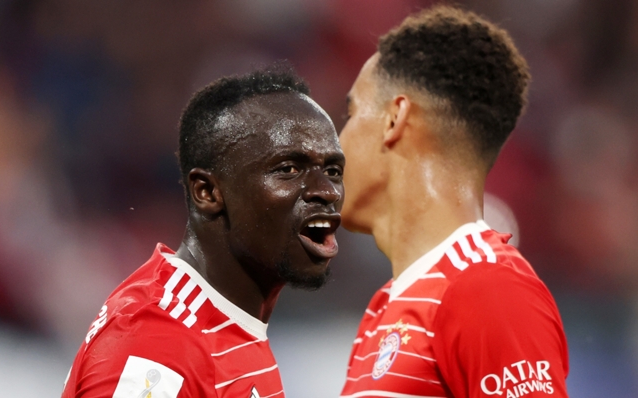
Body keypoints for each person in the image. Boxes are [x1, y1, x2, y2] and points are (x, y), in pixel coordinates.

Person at [61, 65, 345, 398]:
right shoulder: (159, 342)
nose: (327, 191)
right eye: (288, 169)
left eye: (332, 170)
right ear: (207, 192)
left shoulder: (227, 325)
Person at [338, 6, 569, 398]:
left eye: (351, 113)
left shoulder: (486, 287)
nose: (334, 145)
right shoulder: (384, 309)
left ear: (395, 118)